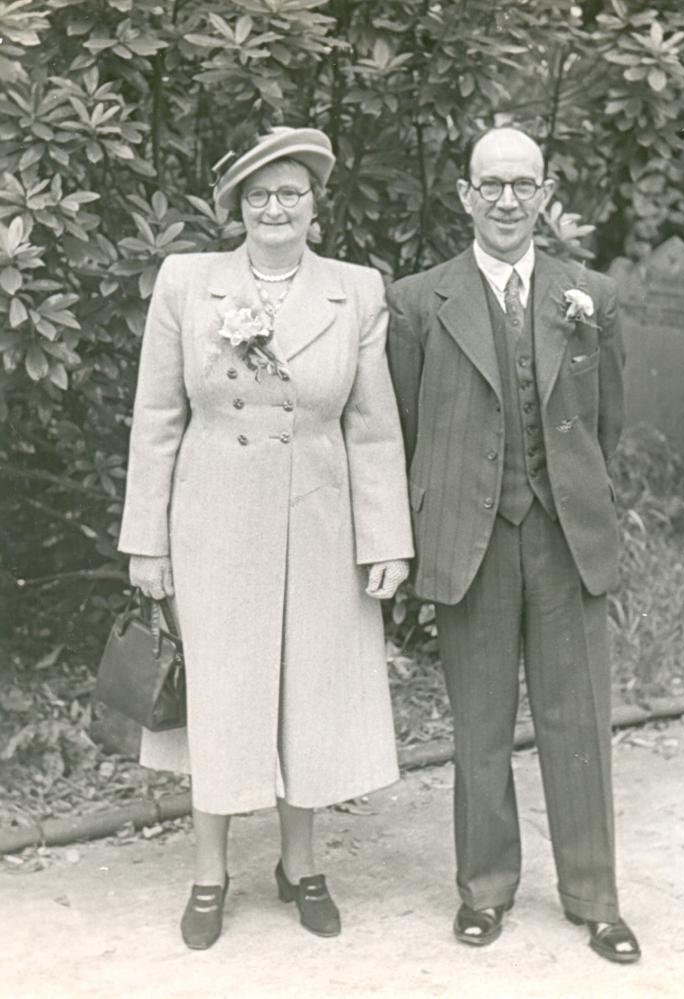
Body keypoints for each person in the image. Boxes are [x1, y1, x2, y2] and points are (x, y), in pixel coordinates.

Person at [118, 126, 413, 949]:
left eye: (290, 193)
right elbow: (157, 416)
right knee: (219, 694)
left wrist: (385, 538)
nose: (274, 208)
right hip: (212, 522)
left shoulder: (354, 291)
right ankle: (208, 874)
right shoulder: (187, 282)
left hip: (319, 524)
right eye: (259, 195)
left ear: (314, 206)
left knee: (308, 693)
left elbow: (374, 427)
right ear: (236, 208)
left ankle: (299, 864)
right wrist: (148, 540)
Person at [386, 126, 640, 964]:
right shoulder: (420, 300)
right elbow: (409, 425)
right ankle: (484, 889)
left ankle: (594, 895)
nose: (504, 199)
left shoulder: (589, 294)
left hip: (566, 537)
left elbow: (606, 424)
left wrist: (573, 498)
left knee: (578, 721)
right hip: (472, 538)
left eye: (520, 184)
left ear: (544, 194)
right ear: (464, 194)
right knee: (480, 725)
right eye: (488, 184)